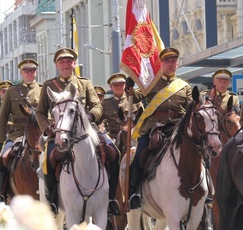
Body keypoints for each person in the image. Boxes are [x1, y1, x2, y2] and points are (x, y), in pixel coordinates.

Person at [36, 48, 103, 214]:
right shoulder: (49, 85)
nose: (65, 64)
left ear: (74, 64)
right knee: (48, 160)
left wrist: (90, 117)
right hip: (60, 133)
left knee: (112, 152)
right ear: (57, 65)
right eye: (62, 62)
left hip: (85, 133)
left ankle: (113, 198)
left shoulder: (84, 83)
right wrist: (48, 130)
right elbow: (40, 112)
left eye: (69, 61)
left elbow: (97, 105)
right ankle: (52, 200)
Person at [126, 47, 192, 209]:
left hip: (178, 126)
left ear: (177, 64)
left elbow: (190, 107)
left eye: (173, 61)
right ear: (161, 63)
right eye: (167, 61)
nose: (170, 64)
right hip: (154, 127)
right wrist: (130, 87)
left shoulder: (184, 86)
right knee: (140, 154)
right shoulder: (152, 82)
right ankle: (133, 193)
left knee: (198, 151)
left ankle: (205, 189)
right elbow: (135, 98)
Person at [0, 60, 42, 203]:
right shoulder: (11, 91)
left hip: (38, 133)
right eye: (26, 71)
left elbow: (49, 113)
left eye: (32, 70)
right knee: (4, 157)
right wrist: (1, 142)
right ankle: (2, 194)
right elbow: (2, 119)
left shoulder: (43, 89)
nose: (30, 73)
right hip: (17, 133)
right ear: (21, 73)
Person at [98, 72, 141, 215]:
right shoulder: (105, 104)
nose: (119, 87)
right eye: (116, 85)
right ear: (111, 87)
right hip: (113, 140)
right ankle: (109, 196)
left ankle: (138, 193)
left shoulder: (134, 101)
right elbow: (98, 122)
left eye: (122, 84)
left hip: (132, 138)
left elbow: (143, 118)